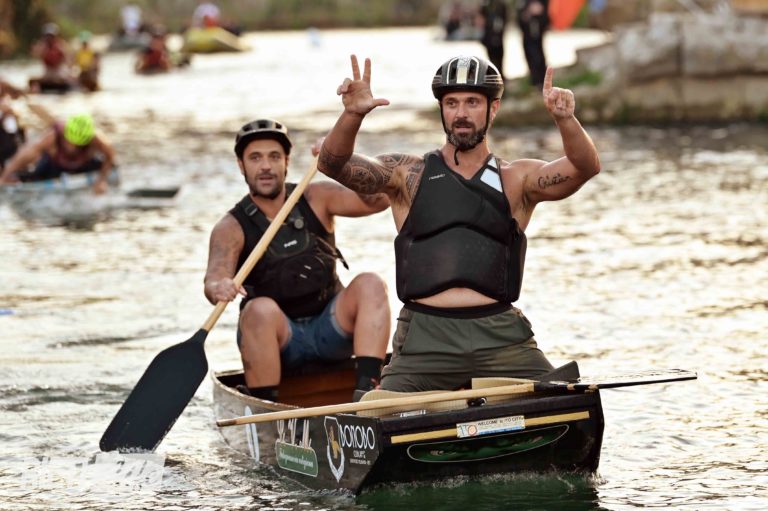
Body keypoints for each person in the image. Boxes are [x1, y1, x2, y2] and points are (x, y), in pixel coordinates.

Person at [317, 55, 600, 392]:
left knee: (564, 398)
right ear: (442, 109)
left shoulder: (517, 178)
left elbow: (584, 167)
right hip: (425, 338)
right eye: (451, 103)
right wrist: (352, 115)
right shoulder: (407, 174)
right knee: (379, 414)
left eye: (472, 102)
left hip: (501, 337)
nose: (461, 113)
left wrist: (566, 120)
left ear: (493, 109)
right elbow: (332, 164)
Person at [203, 119, 391, 402]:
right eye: (255, 158)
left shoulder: (316, 197)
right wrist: (219, 287)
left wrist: (341, 164)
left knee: (371, 284)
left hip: (331, 329)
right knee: (258, 309)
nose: (266, 166)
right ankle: (267, 404)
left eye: (274, 157)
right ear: (241, 165)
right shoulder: (230, 227)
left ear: (287, 161)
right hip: (281, 342)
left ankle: (367, 392)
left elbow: (379, 200)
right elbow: (213, 279)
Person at [0, 113, 116, 194]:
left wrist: (102, 179)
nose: (72, 147)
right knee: (31, 172)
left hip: (83, 164)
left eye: (78, 145)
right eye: (69, 142)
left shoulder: (96, 139)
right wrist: (5, 176)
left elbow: (110, 155)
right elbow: (25, 155)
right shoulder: (52, 137)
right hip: (55, 165)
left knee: (112, 166)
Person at [28, 23, 73, 93]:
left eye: (51, 36)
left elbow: (68, 59)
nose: (49, 38)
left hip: (58, 71)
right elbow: (34, 54)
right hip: (47, 71)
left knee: (65, 79)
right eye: (48, 36)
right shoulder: (43, 46)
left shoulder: (60, 45)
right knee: (33, 80)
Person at [516, 0, 549, 88]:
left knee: (538, 56)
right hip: (527, 33)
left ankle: (542, 81)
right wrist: (527, 13)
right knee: (529, 56)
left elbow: (545, 12)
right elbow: (520, 16)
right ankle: (535, 81)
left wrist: (539, 11)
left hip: (537, 32)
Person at [478, 0, 508, 81]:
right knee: (492, 60)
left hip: (498, 37)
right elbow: (481, 19)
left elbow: (503, 20)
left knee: (499, 59)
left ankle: (499, 78)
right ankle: (494, 77)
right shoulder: (485, 5)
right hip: (489, 37)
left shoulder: (500, 6)